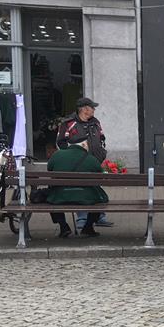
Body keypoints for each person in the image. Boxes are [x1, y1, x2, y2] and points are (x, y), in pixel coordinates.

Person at [56, 96, 113, 229]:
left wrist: (101, 152)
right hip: (77, 163)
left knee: (96, 187)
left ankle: (99, 217)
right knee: (81, 189)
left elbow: (102, 138)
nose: (94, 110)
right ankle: (82, 218)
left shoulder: (96, 122)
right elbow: (60, 143)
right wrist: (71, 155)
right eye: (92, 107)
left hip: (94, 162)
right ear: (84, 109)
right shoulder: (68, 123)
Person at [46, 134, 108, 238]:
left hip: (60, 196)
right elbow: (100, 174)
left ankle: (63, 227)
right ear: (83, 144)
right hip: (85, 197)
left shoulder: (57, 155)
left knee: (50, 195)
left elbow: (49, 168)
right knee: (100, 199)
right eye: (88, 144)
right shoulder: (91, 159)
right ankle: (88, 227)